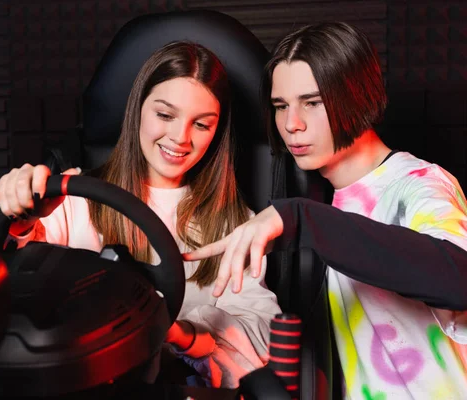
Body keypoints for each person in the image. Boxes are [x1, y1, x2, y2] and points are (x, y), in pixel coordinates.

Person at [0, 41, 280, 389]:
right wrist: (21, 217)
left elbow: (259, 332)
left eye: (201, 124)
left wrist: (179, 333)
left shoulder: (234, 223)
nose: (180, 138)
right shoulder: (72, 198)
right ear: (138, 110)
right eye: (165, 115)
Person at [185, 22, 467, 398]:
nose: (291, 124)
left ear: (357, 95)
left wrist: (301, 219)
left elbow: (457, 279)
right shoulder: (321, 195)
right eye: (280, 106)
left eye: (312, 103)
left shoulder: (418, 184)